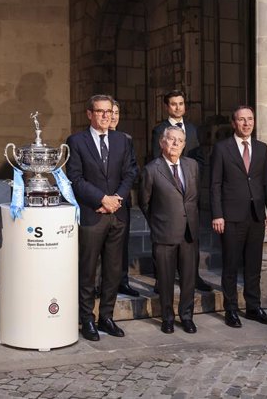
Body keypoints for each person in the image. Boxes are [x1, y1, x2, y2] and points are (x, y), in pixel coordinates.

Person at [66, 94, 138, 341]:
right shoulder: (76, 141)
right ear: (89, 114)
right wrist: (101, 199)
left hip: (117, 214)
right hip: (91, 214)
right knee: (87, 270)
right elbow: (75, 178)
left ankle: (106, 316)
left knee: (113, 270)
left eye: (109, 111)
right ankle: (86, 319)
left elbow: (130, 173)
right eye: (100, 111)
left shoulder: (122, 140)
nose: (106, 116)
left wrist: (116, 198)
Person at [210, 105, 267, 328]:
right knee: (230, 265)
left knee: (253, 265)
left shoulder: (261, 148)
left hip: (256, 215)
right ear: (233, 123)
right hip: (230, 217)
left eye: (250, 119)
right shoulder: (222, 148)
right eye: (242, 119)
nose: (247, 123)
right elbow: (215, 185)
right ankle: (231, 309)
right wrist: (218, 214)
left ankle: (253, 307)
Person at [150, 90, 212, 293]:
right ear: (167, 107)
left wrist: (193, 178)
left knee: (191, 237)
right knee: (163, 238)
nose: (178, 107)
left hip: (189, 191)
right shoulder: (159, 129)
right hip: (166, 192)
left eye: (181, 103)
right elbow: (154, 160)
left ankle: (193, 276)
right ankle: (162, 279)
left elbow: (200, 158)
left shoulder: (193, 129)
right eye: (174, 104)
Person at [139, 126, 199, 334]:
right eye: (171, 140)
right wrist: (158, 223)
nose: (175, 144)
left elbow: (193, 197)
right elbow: (145, 203)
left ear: (184, 144)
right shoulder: (151, 169)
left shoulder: (192, 166)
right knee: (164, 279)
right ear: (162, 142)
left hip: (189, 232)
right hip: (164, 232)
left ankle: (187, 316)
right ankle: (167, 318)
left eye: (179, 141)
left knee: (189, 278)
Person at [109, 101, 140, 297]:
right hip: (99, 202)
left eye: (117, 113)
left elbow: (132, 169)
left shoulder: (126, 139)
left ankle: (123, 281)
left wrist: (119, 195)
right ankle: (99, 284)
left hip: (121, 200)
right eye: (110, 112)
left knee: (122, 244)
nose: (113, 116)